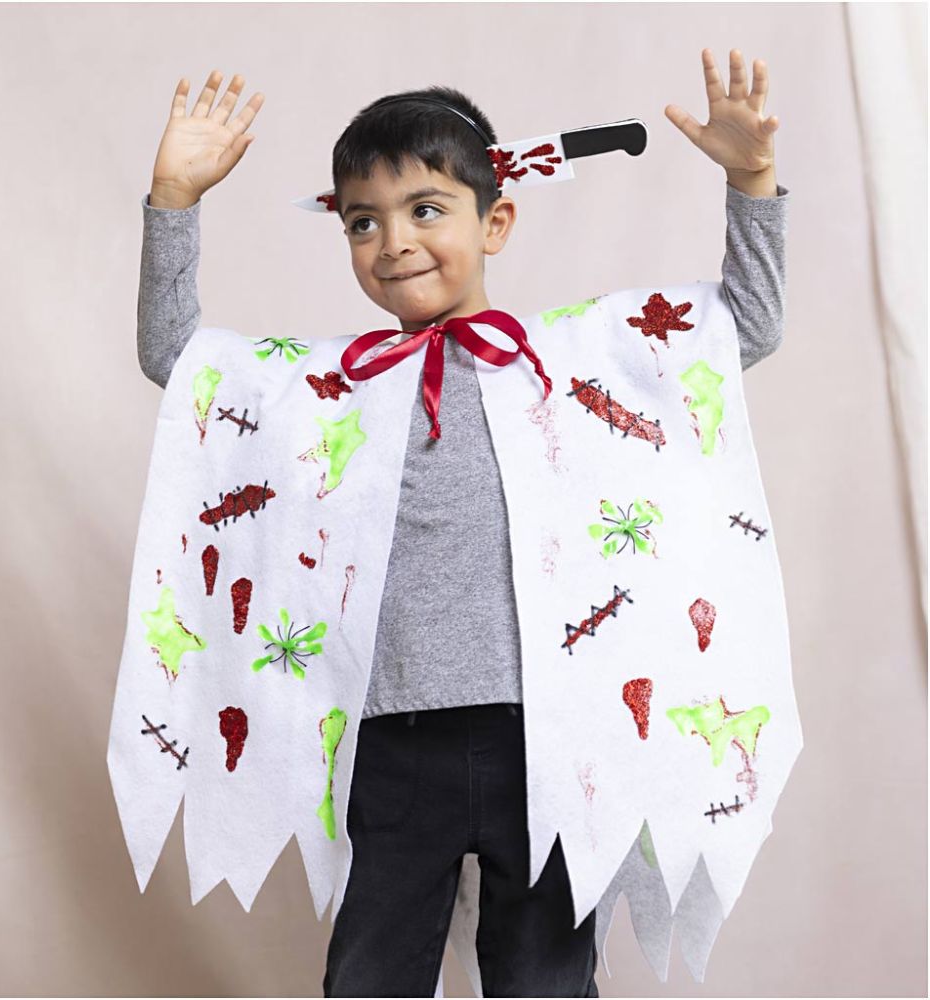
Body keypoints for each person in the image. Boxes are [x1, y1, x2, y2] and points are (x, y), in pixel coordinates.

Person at [135, 59, 789, 997]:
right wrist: (172, 201)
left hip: (550, 736)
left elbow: (745, 328)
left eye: (426, 210)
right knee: (370, 981)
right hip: (391, 743)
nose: (393, 241)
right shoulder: (328, 389)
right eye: (363, 220)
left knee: (545, 984)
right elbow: (177, 357)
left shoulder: (569, 362)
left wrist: (751, 181)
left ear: (496, 221)